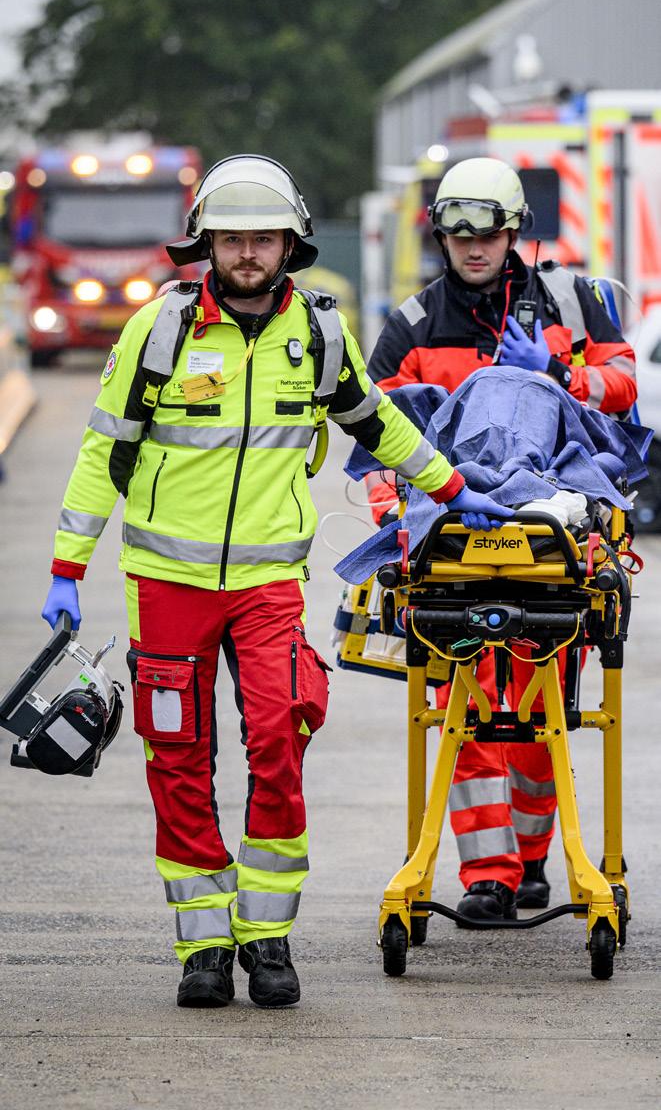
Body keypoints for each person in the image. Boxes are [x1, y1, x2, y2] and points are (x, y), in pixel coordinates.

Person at [41, 154, 510, 1009]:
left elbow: (375, 420)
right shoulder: (159, 330)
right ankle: (203, 947)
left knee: (279, 733)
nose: (247, 252)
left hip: (267, 585)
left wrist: (450, 488)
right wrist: (68, 566)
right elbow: (104, 448)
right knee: (176, 758)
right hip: (166, 584)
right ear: (206, 244)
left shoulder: (319, 334)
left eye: (263, 238)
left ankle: (266, 938)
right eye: (232, 239)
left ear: (290, 244)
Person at [367, 156, 637, 923]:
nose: (473, 246)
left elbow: (622, 389)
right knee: (470, 708)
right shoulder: (414, 325)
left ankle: (532, 860)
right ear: (440, 237)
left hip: (552, 546)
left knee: (537, 711)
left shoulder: (570, 303)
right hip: (455, 549)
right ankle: (488, 873)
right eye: (458, 235)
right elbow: (378, 433)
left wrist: (557, 371)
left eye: (486, 233)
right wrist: (393, 517)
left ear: (513, 231)